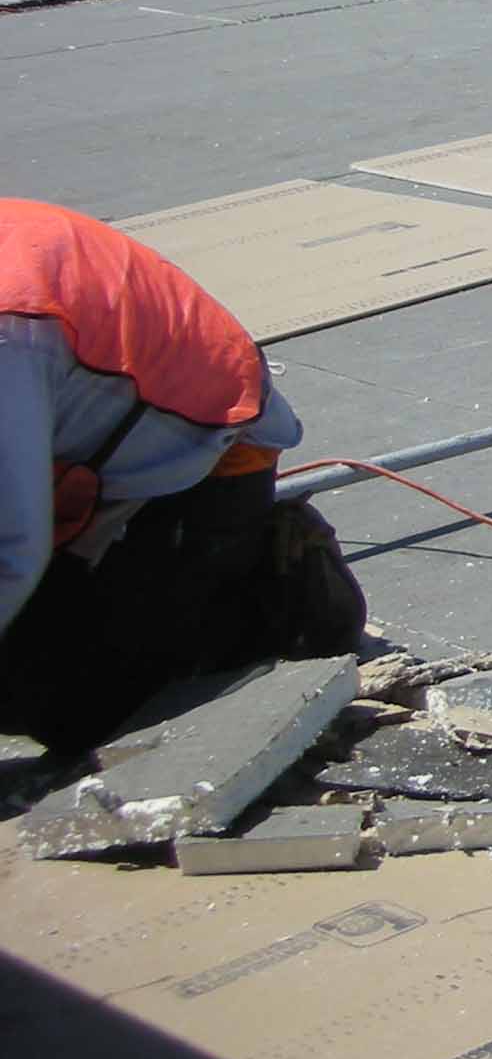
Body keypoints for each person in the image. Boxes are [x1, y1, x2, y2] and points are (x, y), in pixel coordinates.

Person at [0, 201, 365, 753]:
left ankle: (275, 587)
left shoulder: (9, 331)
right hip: (80, 446)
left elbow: (11, 548)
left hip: (203, 457)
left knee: (67, 712)